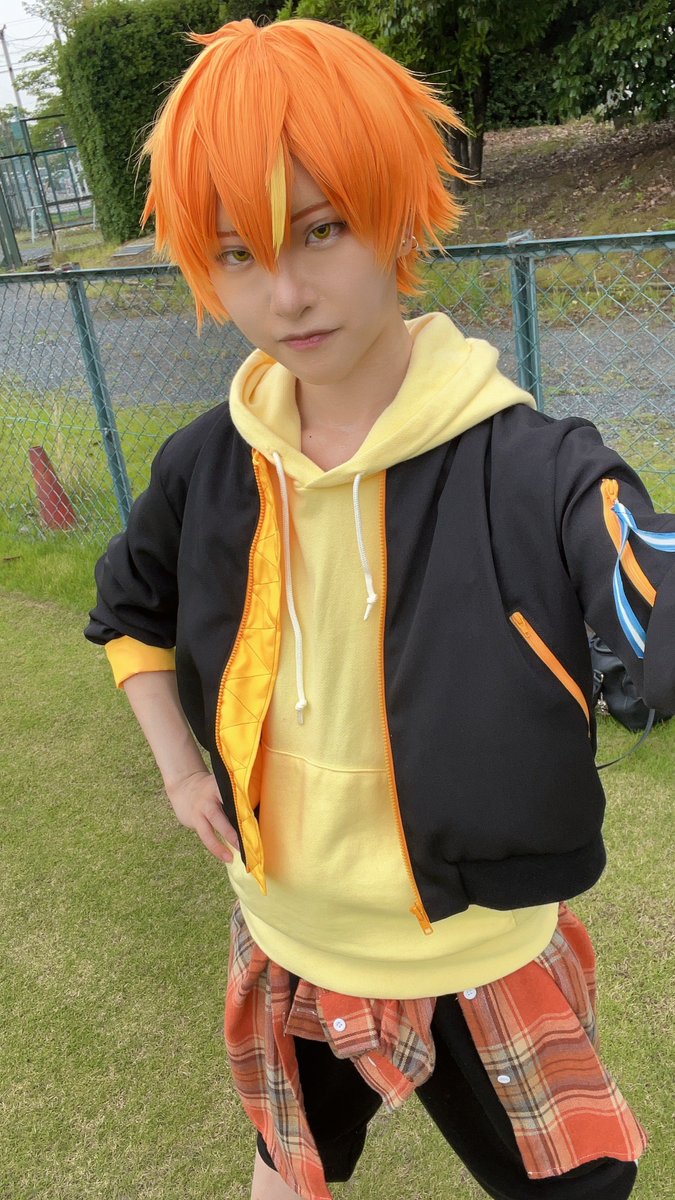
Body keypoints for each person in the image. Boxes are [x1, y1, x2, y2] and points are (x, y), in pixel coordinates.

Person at [85, 17, 675, 1200]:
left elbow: (644, 582)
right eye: (238, 252)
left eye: (322, 229)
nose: (286, 293)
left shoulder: (535, 468)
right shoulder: (206, 465)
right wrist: (181, 774)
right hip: (289, 940)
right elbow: (131, 613)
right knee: (289, 1168)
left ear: (399, 215)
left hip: (484, 952)